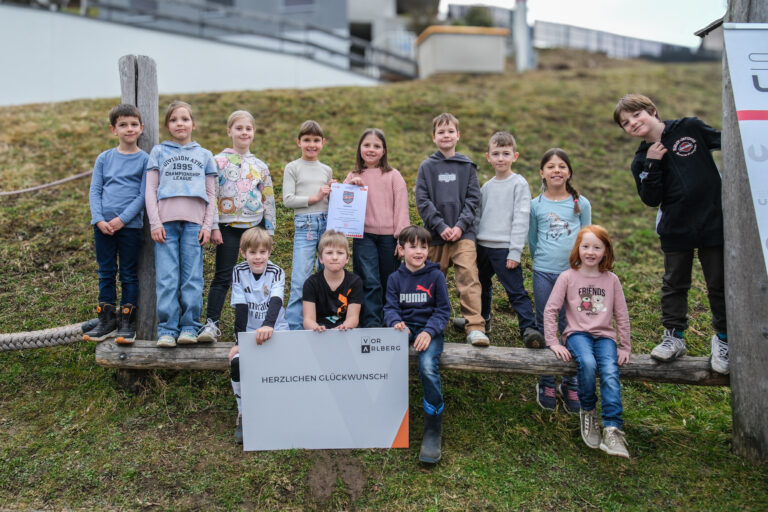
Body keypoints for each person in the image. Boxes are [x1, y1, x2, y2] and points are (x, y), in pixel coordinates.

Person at [613, 94, 728, 374]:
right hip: (676, 229)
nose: (633, 124)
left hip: (713, 222)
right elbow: (651, 199)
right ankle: (673, 337)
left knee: (718, 283)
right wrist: (652, 164)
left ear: (652, 111)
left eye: (636, 116)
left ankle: (724, 340)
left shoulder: (689, 128)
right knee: (675, 283)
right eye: (626, 124)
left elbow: (728, 142)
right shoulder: (641, 160)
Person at [545, 225, 631, 459]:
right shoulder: (568, 277)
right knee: (587, 363)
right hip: (577, 335)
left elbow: (621, 314)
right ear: (578, 249)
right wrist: (553, 341)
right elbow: (551, 309)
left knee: (611, 371)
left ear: (606, 251)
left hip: (604, 336)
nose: (590, 252)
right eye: (585, 247)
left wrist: (625, 346)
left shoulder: (611, 280)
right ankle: (589, 411)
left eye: (597, 247)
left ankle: (612, 428)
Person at [198, 110, 277, 343]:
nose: (244, 132)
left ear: (253, 133)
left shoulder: (261, 166)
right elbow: (211, 195)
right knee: (223, 276)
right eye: (239, 128)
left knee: (254, 278)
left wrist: (269, 231)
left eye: (248, 129)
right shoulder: (217, 161)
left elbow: (268, 198)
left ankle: (248, 327)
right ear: (229, 131)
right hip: (227, 228)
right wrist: (213, 226)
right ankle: (211, 324)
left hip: (254, 228)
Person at [145, 100, 217, 348]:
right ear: (167, 125)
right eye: (174, 119)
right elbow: (150, 189)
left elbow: (211, 194)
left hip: (194, 225)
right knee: (167, 278)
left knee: (192, 278)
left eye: (185, 119)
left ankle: (189, 326)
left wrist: (207, 226)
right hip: (165, 225)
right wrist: (155, 222)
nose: (180, 124)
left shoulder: (205, 155)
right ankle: (167, 329)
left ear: (193, 124)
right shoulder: (158, 152)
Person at [415, 112, 488, 346]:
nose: (445, 135)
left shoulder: (467, 166)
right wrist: (441, 226)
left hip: (462, 236)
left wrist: (459, 226)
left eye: (450, 131)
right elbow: (422, 200)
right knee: (429, 280)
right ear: (434, 137)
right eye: (440, 132)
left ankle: (475, 327)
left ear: (458, 135)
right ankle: (426, 324)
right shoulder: (427, 166)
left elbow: (473, 199)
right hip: (435, 237)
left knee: (469, 278)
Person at [529, 148, 592, 413]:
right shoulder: (536, 205)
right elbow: (532, 240)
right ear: (542, 173)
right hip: (544, 272)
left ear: (569, 172)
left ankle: (570, 380)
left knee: (572, 326)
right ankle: (546, 379)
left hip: (573, 276)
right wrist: (541, 262)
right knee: (547, 322)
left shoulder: (581, 204)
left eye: (562, 166)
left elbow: (588, 238)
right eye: (551, 166)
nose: (557, 170)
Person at [469, 131, 543, 347]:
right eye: (496, 154)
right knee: (480, 285)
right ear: (488, 157)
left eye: (506, 153)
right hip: (483, 246)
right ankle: (482, 321)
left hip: (504, 249)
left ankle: (529, 328)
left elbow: (521, 219)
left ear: (515, 156)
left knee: (515, 290)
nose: (501, 158)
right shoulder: (487, 186)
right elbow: (478, 217)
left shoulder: (518, 184)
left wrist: (515, 252)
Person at [383, 225, 450, 464]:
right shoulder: (394, 278)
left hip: (429, 331)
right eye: (413, 247)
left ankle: (433, 428)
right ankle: (387, 417)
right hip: (404, 330)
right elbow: (390, 308)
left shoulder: (436, 276)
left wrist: (430, 331)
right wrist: (397, 322)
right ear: (401, 250)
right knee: (386, 361)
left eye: (423, 246)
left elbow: (443, 311)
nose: (419, 251)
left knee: (427, 366)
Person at [83, 104, 148, 344]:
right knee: (106, 272)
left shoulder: (145, 160)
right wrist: (99, 219)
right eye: (123, 125)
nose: (128, 129)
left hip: (129, 227)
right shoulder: (104, 158)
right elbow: (95, 190)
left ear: (141, 128)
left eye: (133, 124)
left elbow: (143, 195)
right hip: (103, 227)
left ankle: (126, 323)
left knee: (129, 274)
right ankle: (106, 320)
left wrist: (122, 219)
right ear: (114, 129)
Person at [227, 227, 289, 443]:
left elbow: (276, 301)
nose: (258, 257)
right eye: (253, 252)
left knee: (282, 366)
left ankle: (278, 411)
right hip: (251, 332)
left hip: (276, 328)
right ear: (244, 253)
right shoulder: (238, 271)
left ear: (269, 252)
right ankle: (244, 413)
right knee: (236, 362)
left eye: (263, 252)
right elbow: (241, 308)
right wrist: (240, 342)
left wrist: (268, 325)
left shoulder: (277, 271)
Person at [344, 128, 410, 327]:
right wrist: (350, 186)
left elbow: (402, 208)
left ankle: (391, 321)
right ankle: (372, 324)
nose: (371, 149)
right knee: (370, 281)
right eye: (367, 145)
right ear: (360, 148)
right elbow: (341, 204)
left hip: (389, 238)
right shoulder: (354, 175)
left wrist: (402, 240)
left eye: (376, 146)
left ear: (384, 151)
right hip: (364, 236)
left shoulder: (393, 175)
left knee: (389, 280)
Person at [283, 120, 334, 330]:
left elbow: (328, 201)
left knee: (327, 274)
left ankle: (323, 320)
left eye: (315, 140)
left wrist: (334, 193)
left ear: (323, 142)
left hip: (326, 224)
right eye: (306, 140)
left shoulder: (326, 169)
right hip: (306, 226)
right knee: (300, 279)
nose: (311, 145)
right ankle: (294, 327)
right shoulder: (293, 167)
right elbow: (288, 199)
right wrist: (314, 197)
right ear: (298, 142)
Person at [302, 230, 362, 331]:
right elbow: (308, 319)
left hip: (345, 333)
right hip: (319, 334)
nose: (334, 257)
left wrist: (343, 327)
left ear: (347, 258)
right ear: (320, 258)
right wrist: (316, 327)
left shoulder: (355, 282)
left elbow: (353, 318)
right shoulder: (311, 283)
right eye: (329, 253)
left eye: (340, 253)